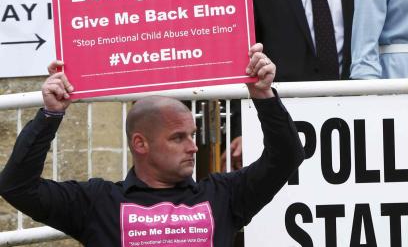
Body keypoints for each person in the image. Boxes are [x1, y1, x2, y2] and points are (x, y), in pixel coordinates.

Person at [0, 44, 304, 247]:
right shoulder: (97, 203)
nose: (193, 147)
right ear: (140, 144)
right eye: (178, 137)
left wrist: (263, 95)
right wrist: (51, 113)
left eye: (193, 135)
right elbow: (16, 187)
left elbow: (286, 157)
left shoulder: (224, 195)